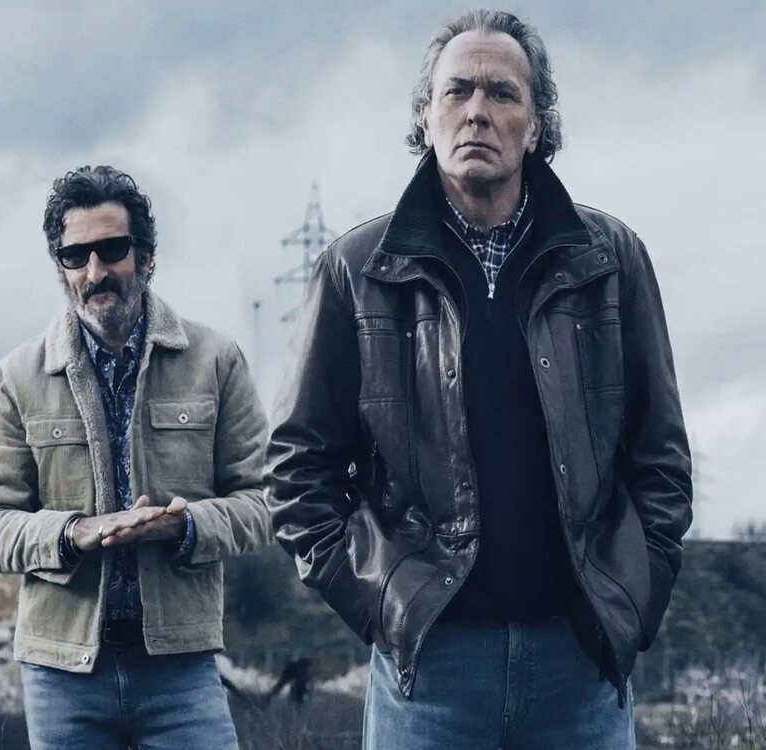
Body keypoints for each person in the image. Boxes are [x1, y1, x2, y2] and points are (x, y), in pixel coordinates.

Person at [264, 9, 692, 748]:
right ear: (425, 116)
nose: (477, 112)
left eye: (502, 93)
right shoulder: (357, 270)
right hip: (430, 673)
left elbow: (661, 456)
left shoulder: (610, 258)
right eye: (457, 91)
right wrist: (382, 605)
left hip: (579, 665)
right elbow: (296, 468)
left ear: (537, 124)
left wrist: (631, 598)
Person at [0, 165, 271, 749]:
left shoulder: (215, 360)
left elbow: (263, 502)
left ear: (147, 256)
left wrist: (186, 525)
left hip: (180, 665)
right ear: (60, 266)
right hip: (62, 674)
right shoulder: (16, 377)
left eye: (111, 250)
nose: (94, 271)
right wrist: (72, 533)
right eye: (75, 256)